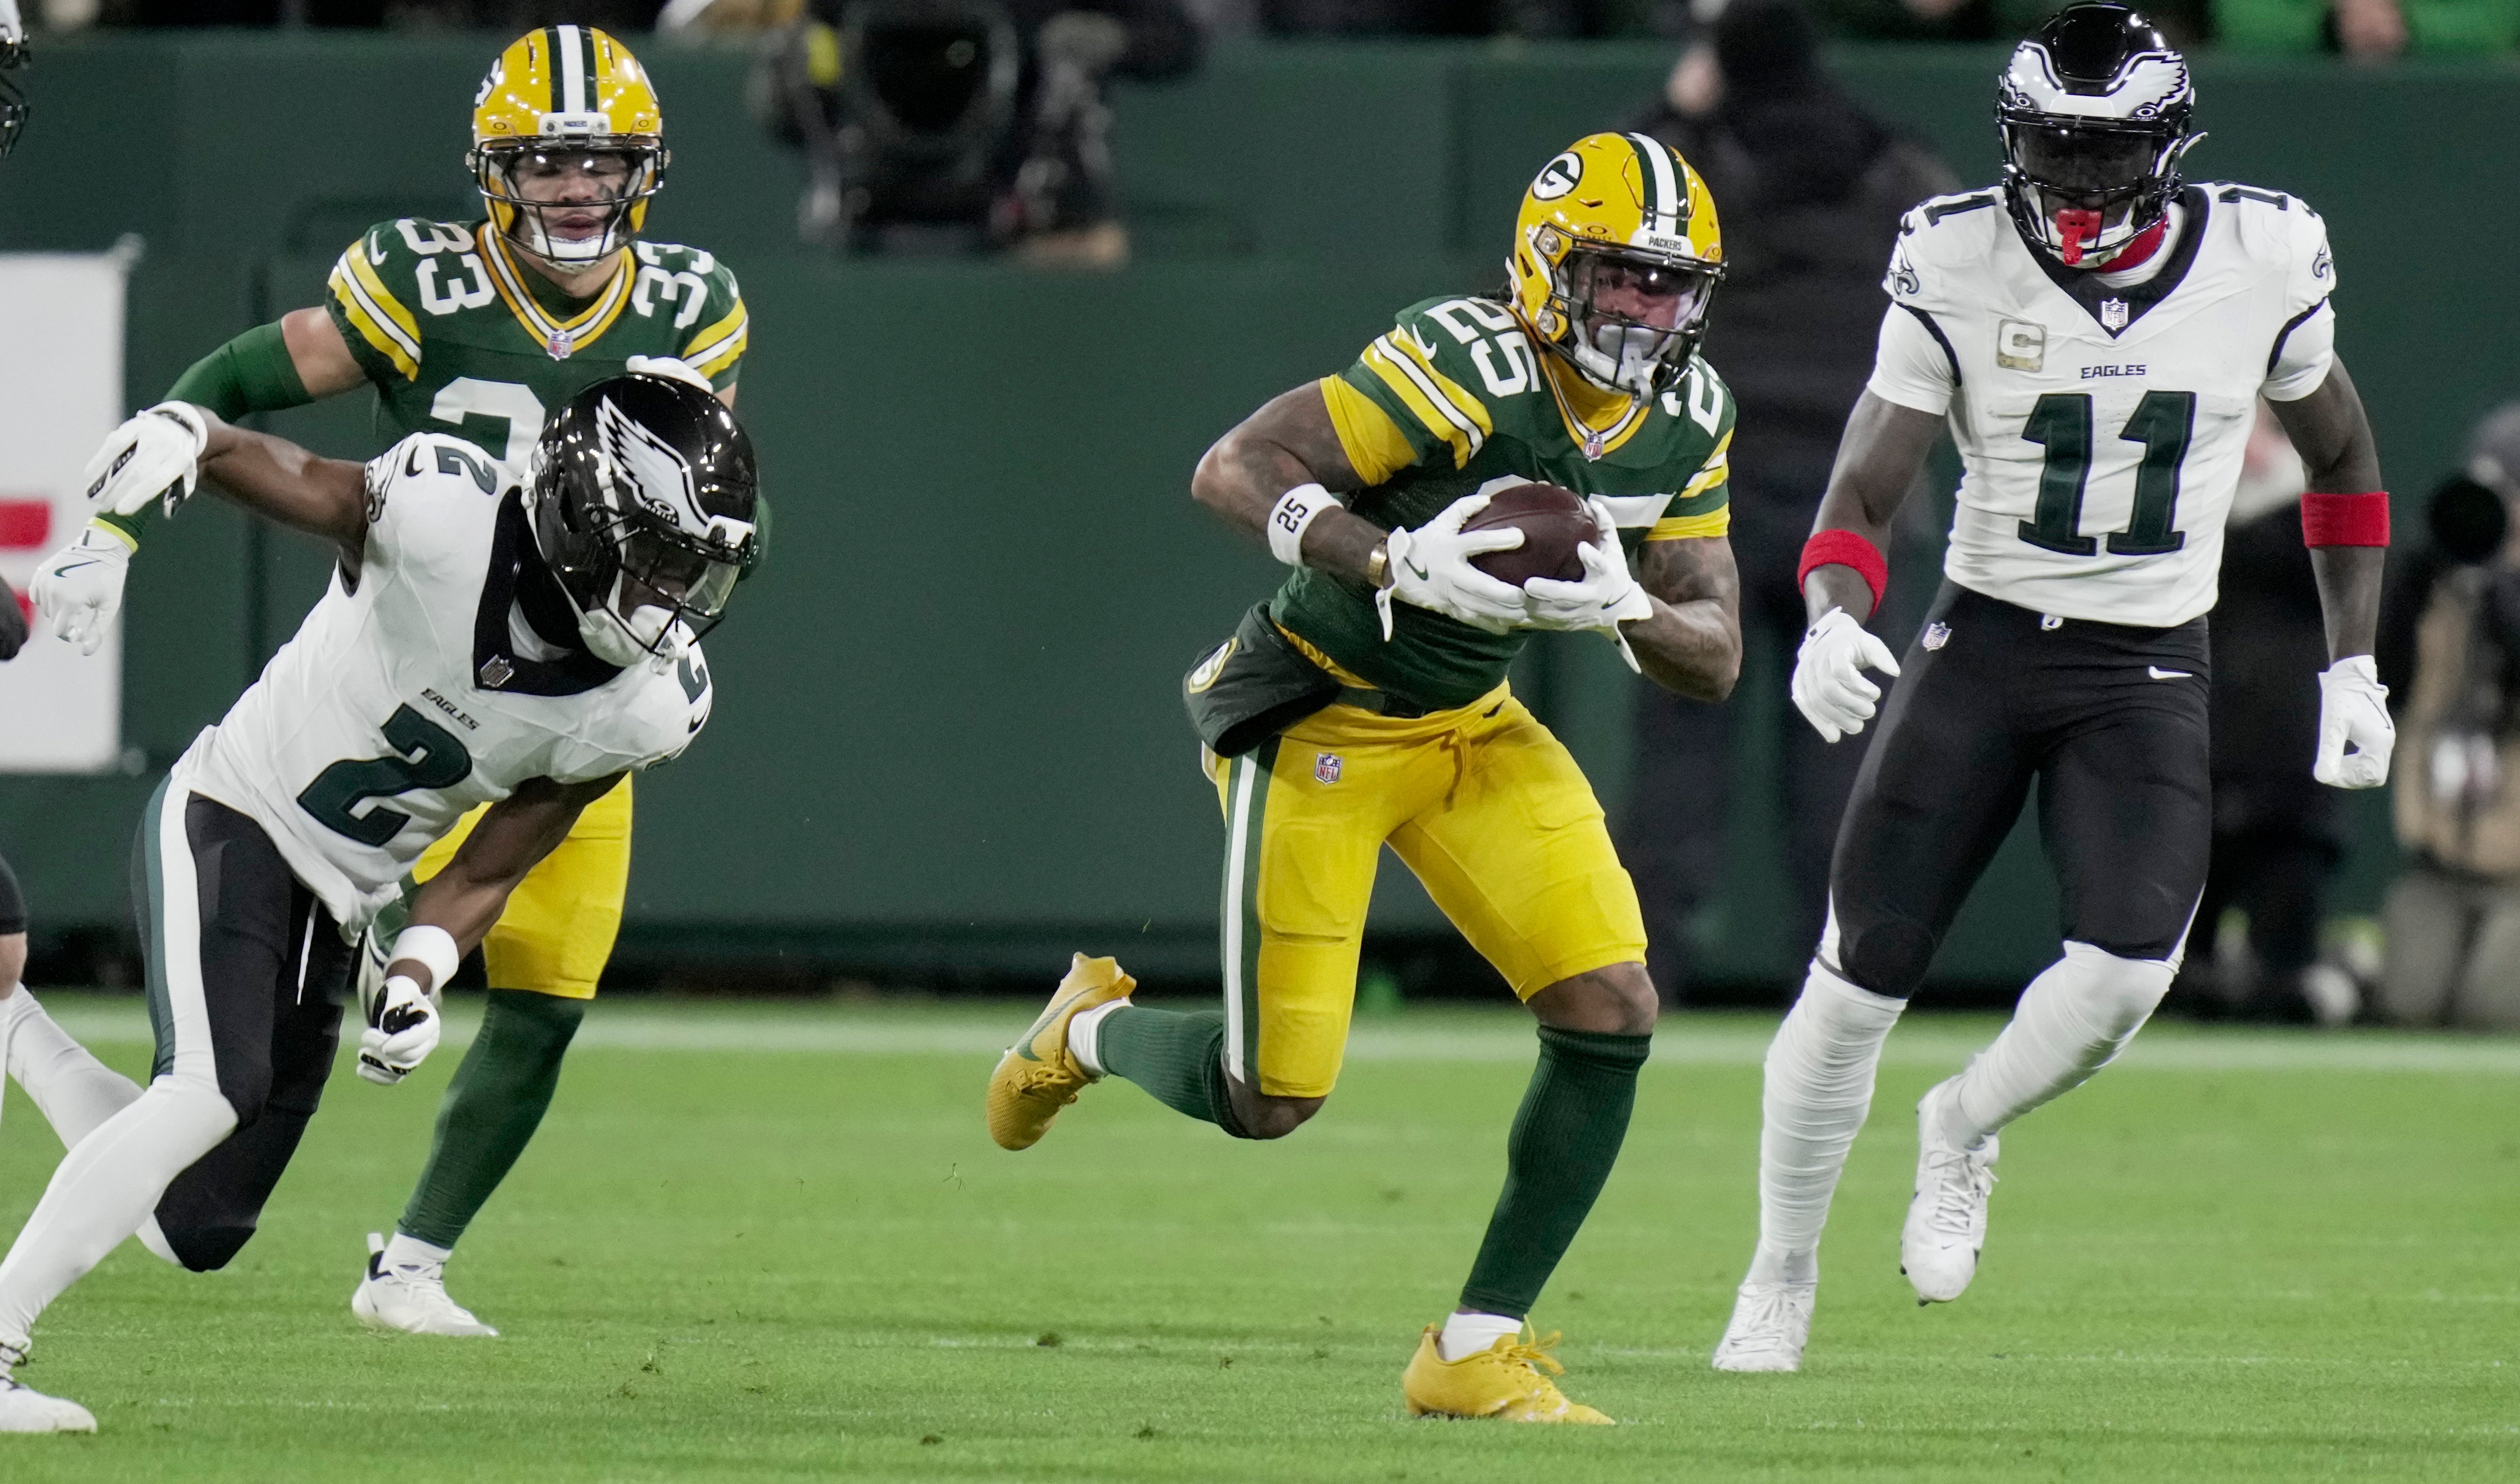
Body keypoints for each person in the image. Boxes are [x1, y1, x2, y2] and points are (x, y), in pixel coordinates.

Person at [985, 132, 1745, 1423]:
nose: (1640, 312)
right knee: (1270, 1094)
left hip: (1471, 725)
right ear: (1547, 268)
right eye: (1616, 279)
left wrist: (1625, 605)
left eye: (1666, 288)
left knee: (1612, 1002)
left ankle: (1472, 1348)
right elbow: (1234, 467)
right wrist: (1387, 562)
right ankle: (1087, 1031)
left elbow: (1714, 651)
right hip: (1322, 714)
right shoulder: (1466, 361)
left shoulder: (1686, 413)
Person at [30, 26, 748, 1339]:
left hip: (569, 691)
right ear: (496, 170)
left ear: (646, 167)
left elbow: (692, 481)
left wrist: (423, 951)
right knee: (210, 1114)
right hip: (425, 628)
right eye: (549, 161)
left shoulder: (692, 303)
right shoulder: (420, 288)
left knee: (542, 997)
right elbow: (241, 390)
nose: (580, 187)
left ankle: (410, 1262)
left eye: (602, 161)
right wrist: (133, 503)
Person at [1708, 4, 2393, 1374]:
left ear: (2165, 147)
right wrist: (1835, 614)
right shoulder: (1954, 249)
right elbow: (1863, 485)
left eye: (2106, 153)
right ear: (2012, 140)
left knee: (2129, 971)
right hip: (1987, 638)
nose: (2076, 184)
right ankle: (1778, 1271)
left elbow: (2342, 460)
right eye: (2054, 150)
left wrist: (2355, 657)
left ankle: (1961, 1123)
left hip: (2146, 658)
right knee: (1851, 984)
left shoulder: (2260, 251)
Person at [1, 372, 755, 1433]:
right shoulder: (444, 516)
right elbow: (262, 463)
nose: (673, 596)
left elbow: (492, 865)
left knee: (194, 1223)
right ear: (581, 519)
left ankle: (10, 1025)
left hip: (343, 892)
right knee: (211, 1090)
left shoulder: (647, 705)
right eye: (661, 556)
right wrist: (170, 454)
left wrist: (418, 967)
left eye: (695, 568)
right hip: (236, 805)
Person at [1622, 0, 1956, 998]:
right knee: (1844, 740)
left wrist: (1672, 111)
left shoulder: (1687, 175)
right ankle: (1842, 967)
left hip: (1706, 495)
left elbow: (1600, 212)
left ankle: (1646, 966)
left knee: (1680, 747)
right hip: (1855, 500)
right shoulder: (1897, 171)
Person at [2375, 405, 2520, 1031]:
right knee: (2408, 1005)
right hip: (2438, 854)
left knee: (2496, 1010)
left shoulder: (2494, 594)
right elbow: (2382, 672)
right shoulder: (2447, 586)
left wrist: (2501, 591)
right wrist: (2413, 573)